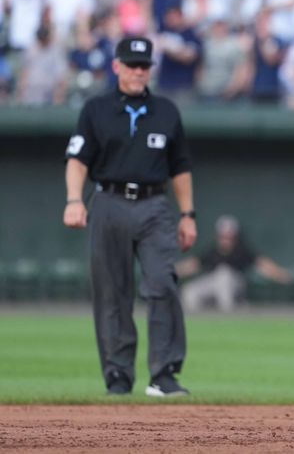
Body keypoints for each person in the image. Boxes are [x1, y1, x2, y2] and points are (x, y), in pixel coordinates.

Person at [63, 37, 196, 397]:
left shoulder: (166, 111)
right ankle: (118, 375)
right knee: (112, 291)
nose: (139, 71)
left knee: (163, 283)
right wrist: (74, 200)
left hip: (154, 204)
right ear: (117, 65)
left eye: (144, 65)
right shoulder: (96, 109)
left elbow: (180, 167)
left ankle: (164, 373)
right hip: (109, 201)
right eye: (132, 64)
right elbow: (77, 160)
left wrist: (187, 214)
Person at [177, 215, 291, 312]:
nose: (226, 239)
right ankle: (203, 322)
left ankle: (229, 316)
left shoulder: (242, 250)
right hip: (213, 285)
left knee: (224, 276)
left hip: (235, 286)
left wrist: (278, 274)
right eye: (223, 236)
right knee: (189, 291)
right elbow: (193, 264)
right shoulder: (212, 250)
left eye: (229, 236)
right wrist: (173, 271)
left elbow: (262, 263)